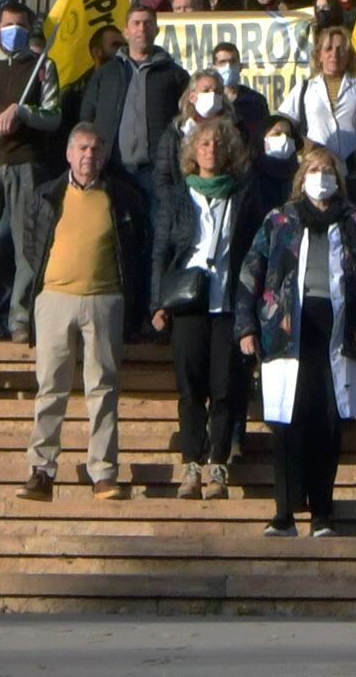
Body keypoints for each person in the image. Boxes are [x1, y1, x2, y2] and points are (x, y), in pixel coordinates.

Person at [240, 142, 356, 535]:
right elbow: (250, 273)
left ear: (338, 178)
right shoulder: (279, 220)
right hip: (287, 332)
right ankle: (284, 513)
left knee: (327, 421)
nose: (320, 178)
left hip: (338, 331)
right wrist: (246, 327)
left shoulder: (355, 222)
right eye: (313, 171)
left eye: (328, 171)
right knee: (289, 421)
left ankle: (323, 511)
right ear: (301, 177)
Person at [15, 121, 148, 501]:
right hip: (54, 299)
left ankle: (103, 472)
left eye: (95, 149)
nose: (88, 156)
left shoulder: (122, 198)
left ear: (104, 156)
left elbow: (135, 248)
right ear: (69, 154)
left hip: (104, 300)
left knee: (103, 389)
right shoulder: (46, 195)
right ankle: (41, 470)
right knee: (51, 387)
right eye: (82, 149)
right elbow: (32, 244)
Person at [152, 117, 258, 500]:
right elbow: (161, 251)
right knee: (191, 387)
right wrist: (157, 302)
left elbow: (253, 254)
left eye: (217, 144)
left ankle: (219, 462)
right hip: (188, 303)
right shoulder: (178, 198)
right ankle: (191, 464)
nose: (210, 150)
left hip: (227, 304)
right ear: (192, 153)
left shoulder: (243, 197)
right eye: (203, 144)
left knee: (225, 387)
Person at [0, 3, 59, 342]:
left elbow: (53, 116)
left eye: (21, 24)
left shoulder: (43, 67)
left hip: (26, 164)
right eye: (8, 24)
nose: (14, 29)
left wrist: (22, 113)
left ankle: (20, 318)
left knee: (26, 246)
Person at [81, 5, 189, 207]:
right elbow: (87, 117)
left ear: (156, 30)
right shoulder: (106, 74)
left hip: (157, 172)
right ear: (126, 31)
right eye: (136, 23)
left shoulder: (175, 75)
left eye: (148, 23)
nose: (142, 29)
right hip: (112, 169)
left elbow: (187, 120)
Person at [295, 25, 356, 165]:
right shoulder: (304, 88)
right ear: (319, 55)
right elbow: (285, 123)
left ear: (349, 55)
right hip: (316, 166)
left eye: (340, 49)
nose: (334, 54)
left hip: (355, 167)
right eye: (328, 49)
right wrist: (308, 147)